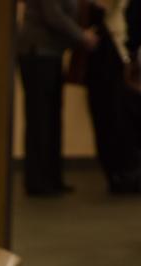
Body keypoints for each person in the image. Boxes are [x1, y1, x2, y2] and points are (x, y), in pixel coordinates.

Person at [18, 1, 99, 195]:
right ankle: (38, 181)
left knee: (52, 118)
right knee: (40, 119)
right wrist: (82, 36)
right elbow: (53, 15)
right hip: (37, 53)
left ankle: (52, 178)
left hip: (51, 54)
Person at [84, 1, 141, 192]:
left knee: (121, 119)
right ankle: (123, 174)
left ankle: (127, 173)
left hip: (120, 57)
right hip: (112, 59)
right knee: (114, 118)